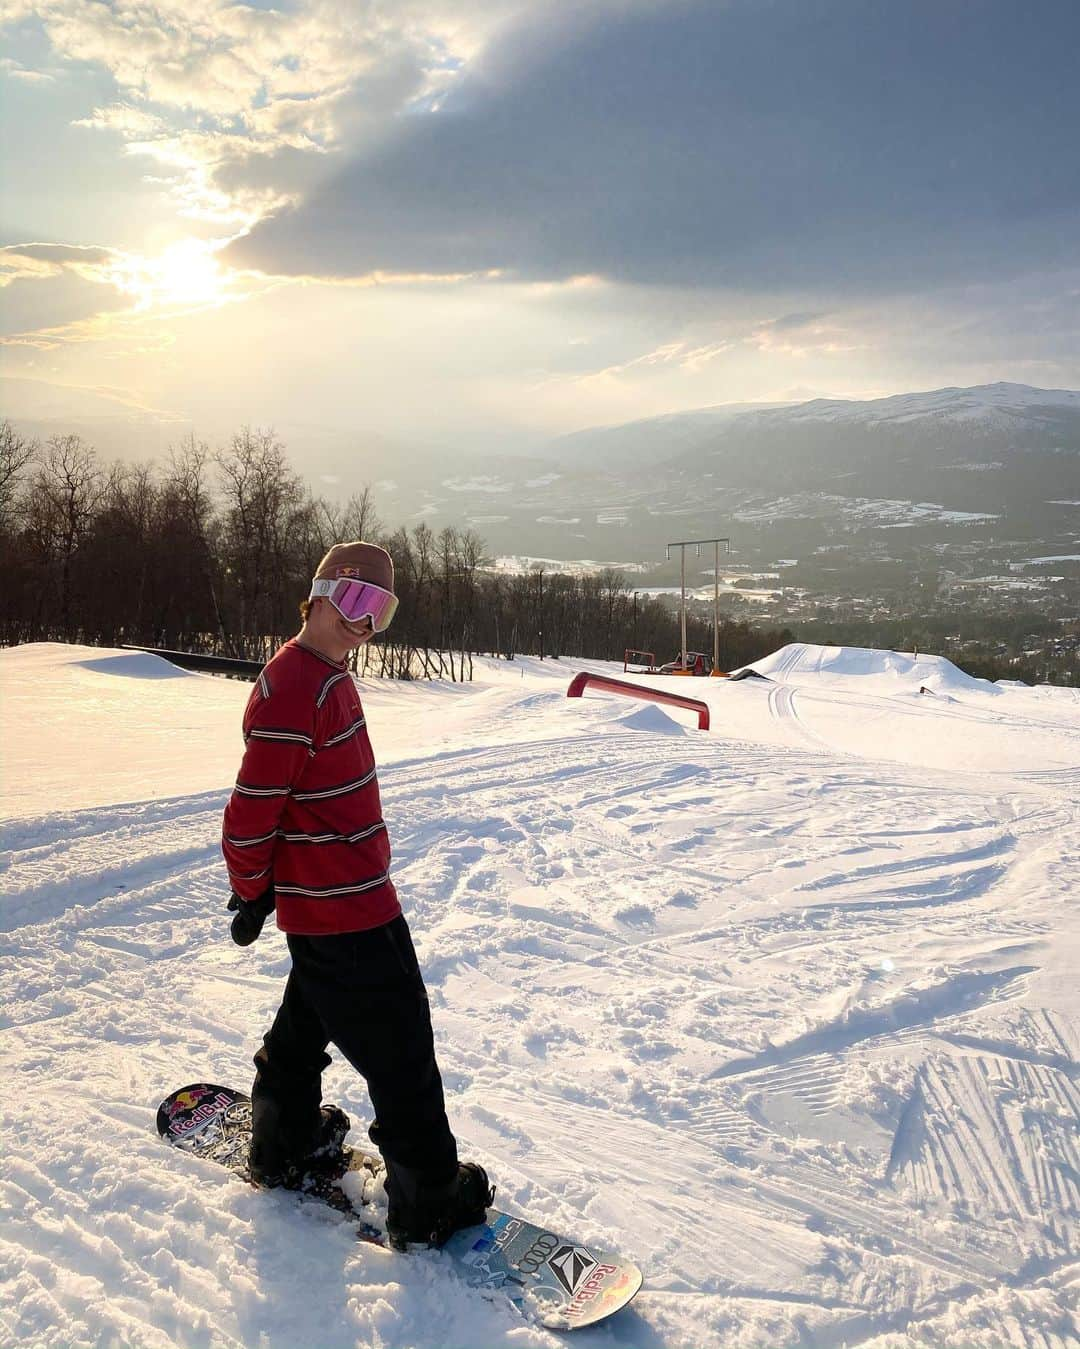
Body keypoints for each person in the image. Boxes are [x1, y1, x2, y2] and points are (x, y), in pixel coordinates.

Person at [221, 540, 493, 1249]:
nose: (364, 621)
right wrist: (251, 890)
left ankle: (283, 1130)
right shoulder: (296, 684)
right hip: (347, 908)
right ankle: (429, 1191)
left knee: (313, 1006)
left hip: (338, 901)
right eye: (353, 600)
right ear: (317, 594)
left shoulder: (322, 673)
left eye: (381, 609)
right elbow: (252, 809)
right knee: (401, 1041)